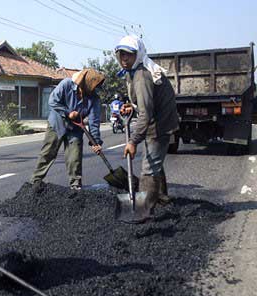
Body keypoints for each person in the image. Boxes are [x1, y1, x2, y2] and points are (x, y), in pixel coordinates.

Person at [116, 35, 179, 216]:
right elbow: (143, 105)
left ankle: (143, 212)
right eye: (121, 55)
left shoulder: (142, 76)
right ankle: (161, 196)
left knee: (148, 168)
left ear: (138, 54)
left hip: (159, 125)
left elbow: (146, 113)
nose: (124, 59)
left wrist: (133, 141)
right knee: (154, 160)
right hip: (156, 121)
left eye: (128, 55)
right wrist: (132, 105)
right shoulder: (134, 72)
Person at [30, 68, 105, 191]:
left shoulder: (94, 99)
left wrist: (95, 142)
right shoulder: (66, 84)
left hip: (75, 128)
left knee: (74, 157)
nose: (95, 90)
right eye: (94, 86)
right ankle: (35, 181)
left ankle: (75, 186)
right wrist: (68, 113)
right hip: (57, 123)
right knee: (48, 153)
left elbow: (94, 122)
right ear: (86, 84)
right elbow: (53, 101)